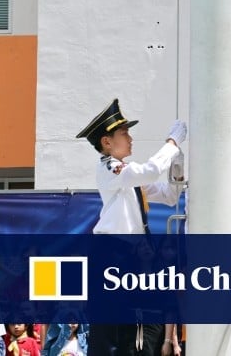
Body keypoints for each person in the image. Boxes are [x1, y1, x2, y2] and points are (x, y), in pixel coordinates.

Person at [78, 99, 185, 356]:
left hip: (130, 255)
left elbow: (168, 195)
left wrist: (177, 170)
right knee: (108, 333)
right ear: (106, 142)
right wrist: (172, 143)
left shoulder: (127, 177)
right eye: (124, 133)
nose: (130, 138)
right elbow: (149, 171)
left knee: (129, 330)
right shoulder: (110, 168)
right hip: (111, 252)